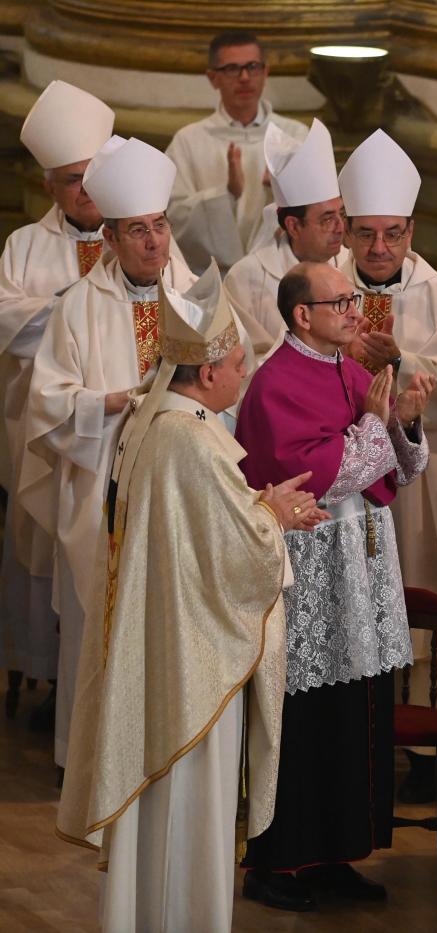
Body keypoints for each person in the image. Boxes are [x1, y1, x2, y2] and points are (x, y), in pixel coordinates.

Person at [56, 269, 325, 933]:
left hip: (172, 650)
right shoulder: (190, 439)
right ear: (206, 373)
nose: (243, 374)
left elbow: (197, 538)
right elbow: (233, 555)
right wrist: (276, 519)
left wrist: (260, 507)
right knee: (188, 809)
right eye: (238, 363)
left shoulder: (160, 425)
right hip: (192, 668)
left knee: (166, 816)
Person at [235, 260, 432, 911]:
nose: (355, 309)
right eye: (341, 301)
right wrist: (376, 426)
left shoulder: (348, 370)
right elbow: (322, 472)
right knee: (306, 718)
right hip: (312, 571)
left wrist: (405, 419)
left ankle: (335, 854)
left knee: (355, 711)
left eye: (353, 298)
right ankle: (277, 860)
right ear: (302, 316)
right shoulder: (274, 384)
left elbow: (394, 469)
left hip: (363, 566)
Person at [18, 135, 204, 771]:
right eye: (138, 231)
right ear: (113, 239)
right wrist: (112, 401)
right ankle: (90, 760)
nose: (154, 241)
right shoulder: (77, 309)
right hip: (104, 488)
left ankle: (160, 753)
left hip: (179, 484)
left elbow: (229, 385)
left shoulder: (194, 300)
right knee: (100, 622)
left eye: (159, 226)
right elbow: (49, 401)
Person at [334, 130, 437, 768]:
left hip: (420, 481)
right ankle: (352, 745)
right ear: (345, 229)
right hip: (344, 480)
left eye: (392, 233)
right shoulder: (323, 291)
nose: (379, 247)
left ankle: (420, 753)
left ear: (412, 230)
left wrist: (404, 358)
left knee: (419, 593)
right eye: (366, 232)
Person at [0, 80, 113, 721]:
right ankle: (47, 675)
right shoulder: (24, 246)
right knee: (43, 546)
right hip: (47, 425)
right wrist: (80, 314)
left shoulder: (142, 238)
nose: (87, 191)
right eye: (73, 180)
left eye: (95, 176)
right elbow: (8, 323)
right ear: (50, 185)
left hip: (115, 427)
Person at [166, 30, 307, 273]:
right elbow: (172, 219)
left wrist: (279, 191)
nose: (244, 77)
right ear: (212, 78)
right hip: (212, 278)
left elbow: (318, 215)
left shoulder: (294, 135)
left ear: (265, 72)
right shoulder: (188, 140)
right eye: (232, 69)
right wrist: (225, 195)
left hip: (282, 277)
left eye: (252, 67)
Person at [225, 118, 348, 358]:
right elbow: (243, 362)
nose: (339, 227)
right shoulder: (246, 278)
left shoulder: (352, 268)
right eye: (326, 219)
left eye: (341, 214)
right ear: (293, 226)